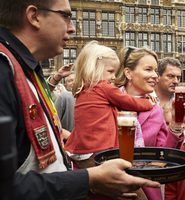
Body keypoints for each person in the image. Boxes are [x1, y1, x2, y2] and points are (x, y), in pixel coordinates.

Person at [0, 1, 160, 200]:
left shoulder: (27, 70)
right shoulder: (5, 70)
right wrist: (88, 180)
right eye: (66, 16)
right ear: (34, 16)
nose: (72, 27)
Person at [65, 40, 154, 169]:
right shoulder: (103, 87)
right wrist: (148, 103)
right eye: (111, 71)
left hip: (80, 151)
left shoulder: (83, 89)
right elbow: (129, 102)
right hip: (99, 150)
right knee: (120, 184)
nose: (114, 77)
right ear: (96, 69)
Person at [115, 47, 184, 200]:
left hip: (145, 191)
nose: (155, 76)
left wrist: (176, 124)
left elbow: (162, 155)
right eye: (148, 69)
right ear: (128, 73)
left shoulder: (155, 110)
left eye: (155, 71)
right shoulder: (109, 103)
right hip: (110, 189)